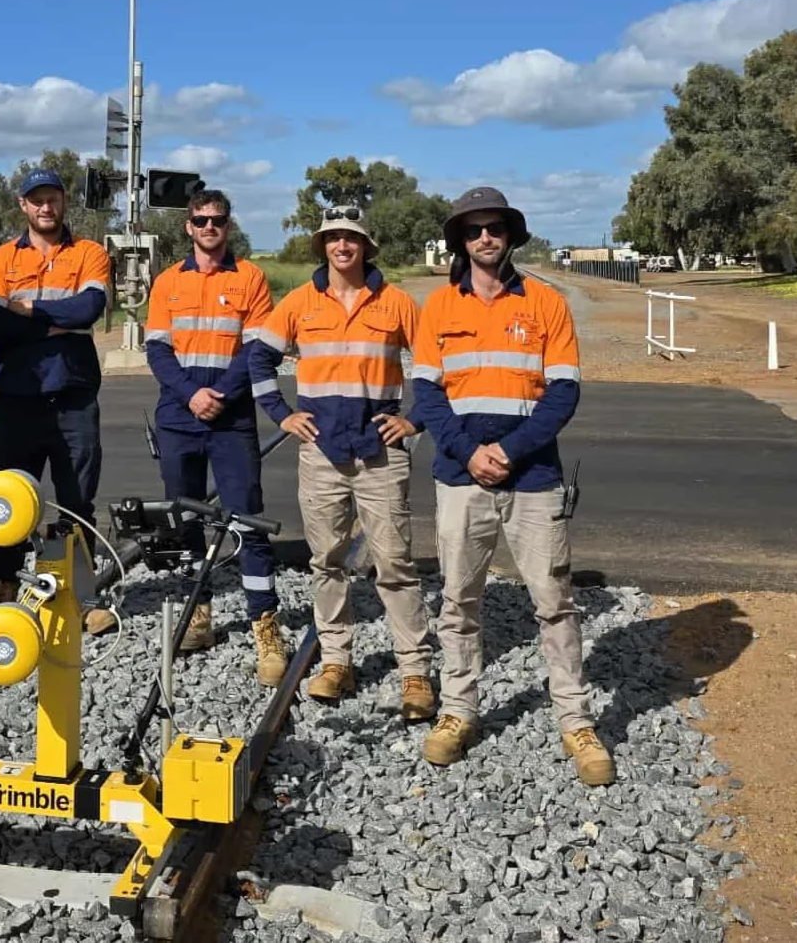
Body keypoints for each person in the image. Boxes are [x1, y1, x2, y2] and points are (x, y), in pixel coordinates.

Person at [411, 185, 614, 786]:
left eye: (494, 227)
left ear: (510, 234)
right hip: (459, 476)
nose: (484, 238)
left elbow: (564, 394)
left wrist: (506, 450)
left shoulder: (547, 303)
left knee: (554, 603)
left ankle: (576, 720)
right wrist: (471, 452)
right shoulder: (438, 308)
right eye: (472, 231)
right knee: (458, 600)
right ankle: (457, 711)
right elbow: (427, 395)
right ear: (460, 241)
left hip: (534, 477)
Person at [249, 206, 438, 722]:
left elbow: (434, 365)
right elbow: (258, 358)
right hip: (321, 452)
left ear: (366, 246)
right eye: (332, 238)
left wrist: (415, 421)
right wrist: (282, 415)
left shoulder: (397, 303)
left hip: (380, 452)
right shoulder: (299, 303)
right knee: (326, 560)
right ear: (322, 246)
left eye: (350, 238)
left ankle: (414, 671)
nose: (341, 246)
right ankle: (336, 660)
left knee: (395, 563)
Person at [118, 188, 289, 684]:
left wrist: (219, 394)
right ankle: (199, 611)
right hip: (179, 417)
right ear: (188, 227)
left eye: (217, 219)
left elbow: (256, 352)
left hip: (232, 419)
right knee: (184, 519)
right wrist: (192, 395)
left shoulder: (251, 278)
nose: (209, 227)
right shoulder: (168, 282)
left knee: (247, 519)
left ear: (228, 225)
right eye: (200, 220)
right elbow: (157, 352)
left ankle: (264, 623)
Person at [0, 167, 111, 606]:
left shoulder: (90, 253)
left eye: (52, 198)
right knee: (10, 501)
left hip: (74, 398)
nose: (45, 207)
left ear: (64, 201)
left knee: (76, 503)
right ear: (23, 206)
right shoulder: (0, 259)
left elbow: (88, 308)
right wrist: (54, 326)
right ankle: (3, 590)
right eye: (37, 200)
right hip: (16, 400)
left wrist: (27, 309)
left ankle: (76, 598)